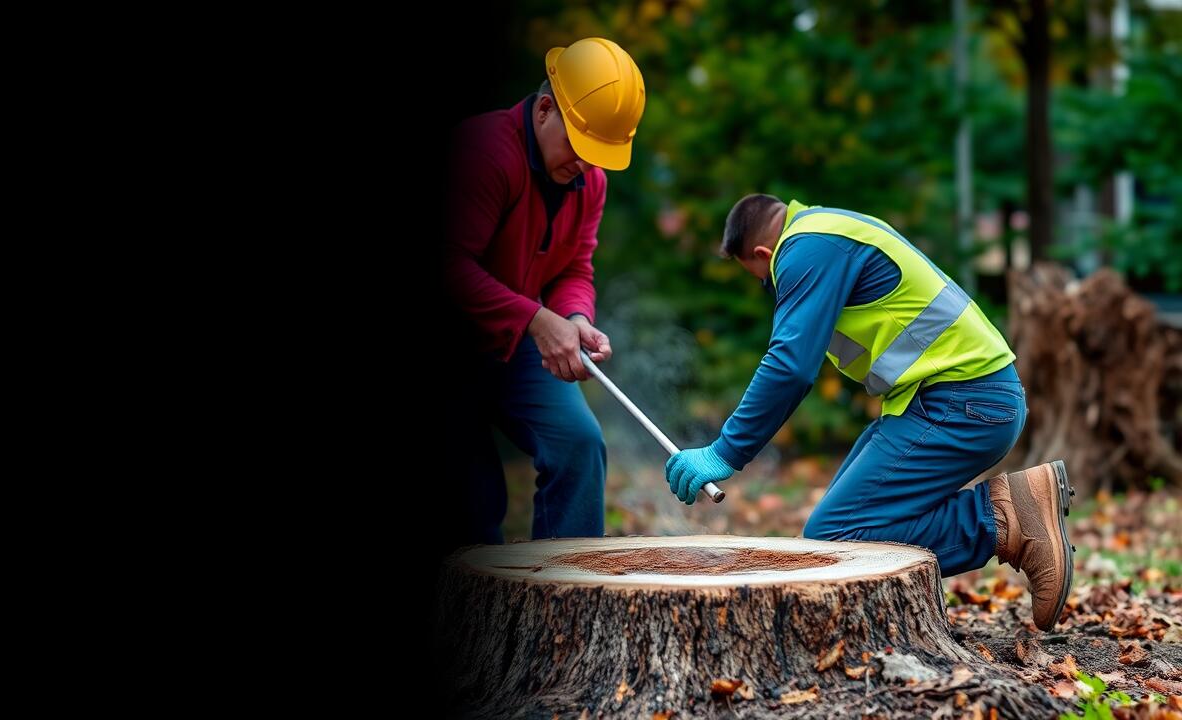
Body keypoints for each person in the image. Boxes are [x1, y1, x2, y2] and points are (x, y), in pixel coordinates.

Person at [664, 194, 1074, 630]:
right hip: (949, 399)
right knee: (835, 527)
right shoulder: (828, 231)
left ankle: (1005, 520)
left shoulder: (806, 249)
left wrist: (725, 451)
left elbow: (790, 366)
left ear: (764, 254)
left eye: (765, 281)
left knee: (834, 538)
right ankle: (1001, 517)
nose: (775, 290)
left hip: (962, 401)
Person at [441, 37, 646, 546]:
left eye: (596, 154)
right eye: (579, 146)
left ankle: (569, 602)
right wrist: (537, 320)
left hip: (515, 346)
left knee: (579, 445)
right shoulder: (484, 153)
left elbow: (574, 265)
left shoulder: (589, 180)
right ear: (546, 109)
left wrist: (574, 317)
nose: (584, 164)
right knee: (476, 500)